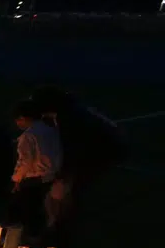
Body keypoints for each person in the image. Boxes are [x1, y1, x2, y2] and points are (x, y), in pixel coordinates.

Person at [32, 86, 124, 239]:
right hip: (100, 148)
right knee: (65, 190)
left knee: (69, 191)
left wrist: (63, 175)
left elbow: (73, 149)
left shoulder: (70, 119)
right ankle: (56, 226)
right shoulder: (71, 111)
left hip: (101, 152)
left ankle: (60, 232)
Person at [9, 99, 61, 244]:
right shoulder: (51, 131)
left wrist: (16, 179)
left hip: (34, 178)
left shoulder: (28, 136)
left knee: (26, 210)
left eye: (18, 121)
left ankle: (22, 241)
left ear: (23, 118)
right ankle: (40, 238)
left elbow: (25, 161)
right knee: (42, 209)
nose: (17, 125)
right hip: (50, 177)